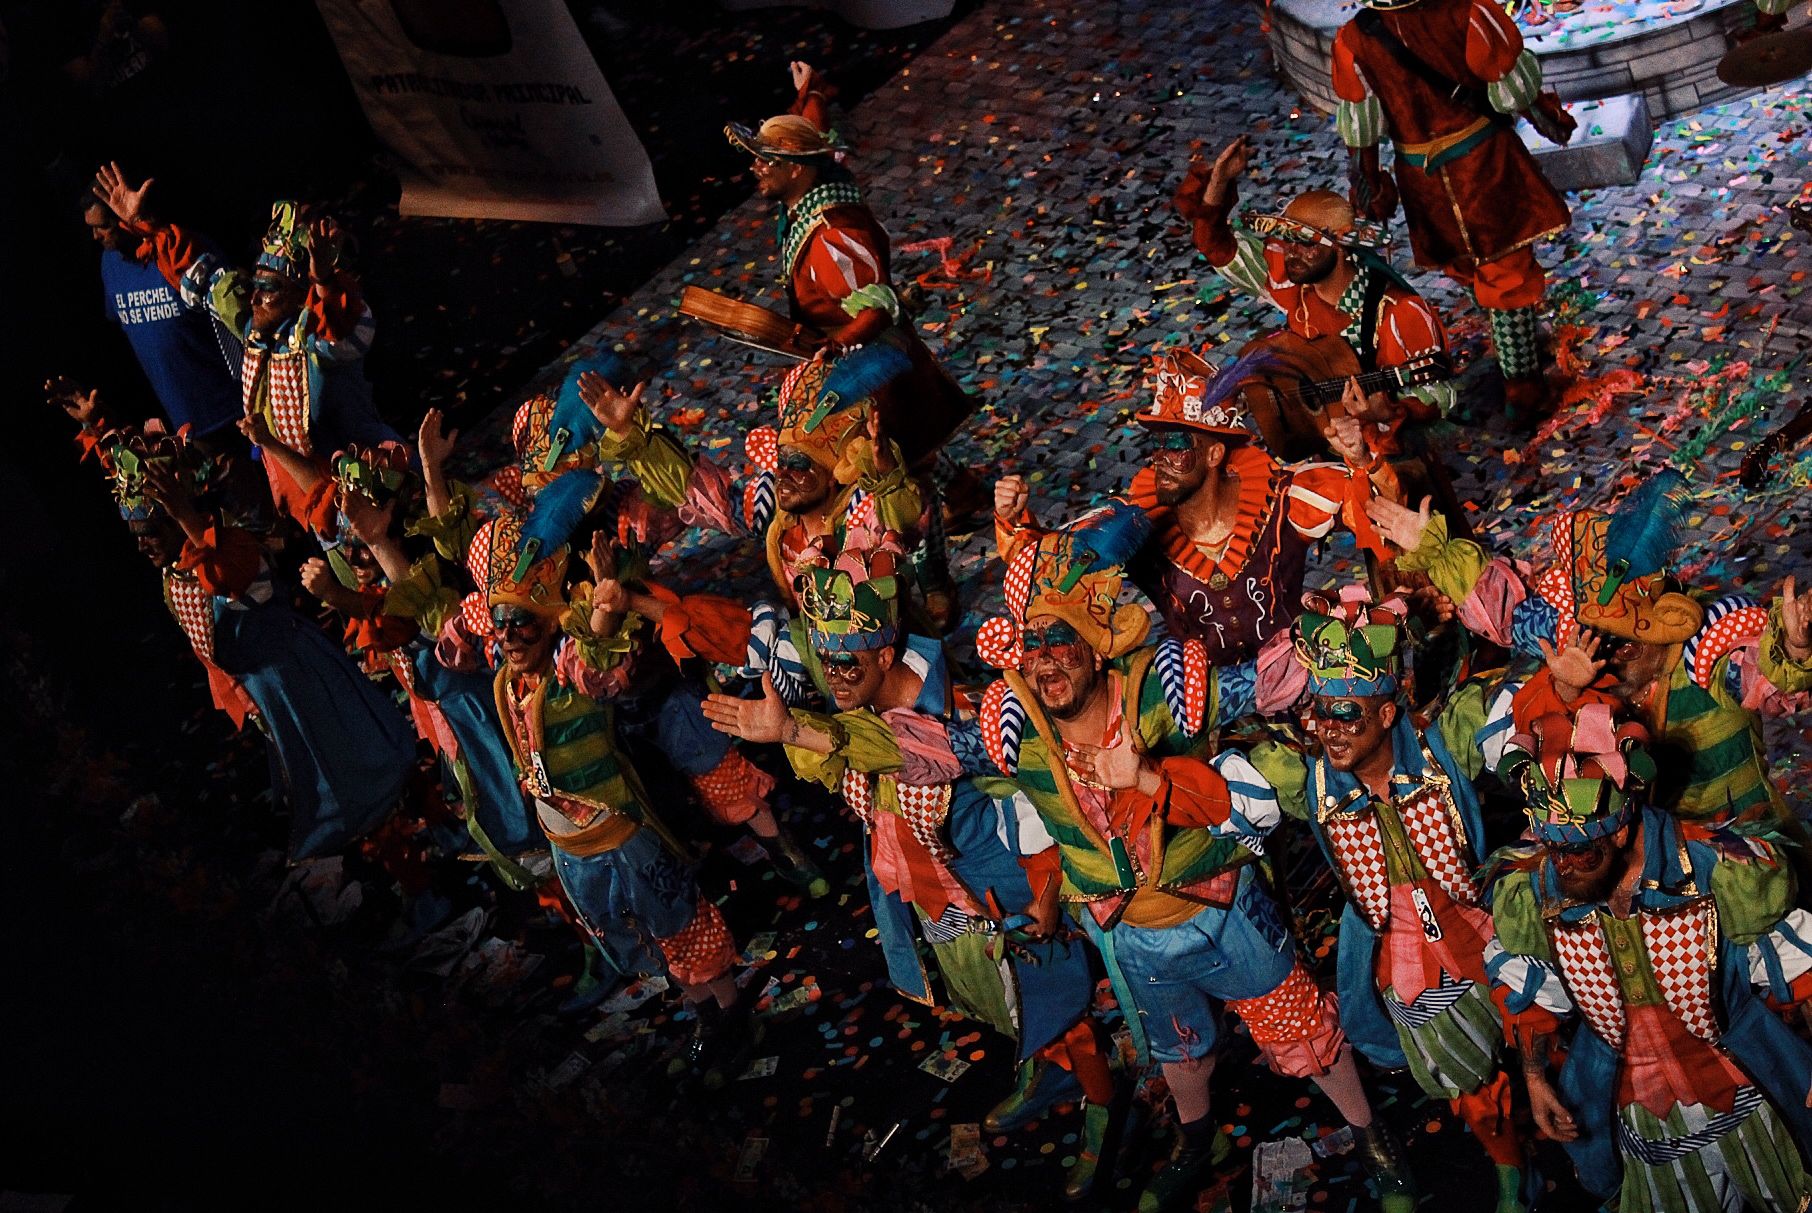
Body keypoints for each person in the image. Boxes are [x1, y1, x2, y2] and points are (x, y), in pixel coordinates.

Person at [866, 504, 1414, 1212]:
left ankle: (1369, 1133)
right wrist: (796, 727)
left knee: (1304, 1029)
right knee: (1180, 1051)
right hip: (1134, 932)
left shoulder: (1163, 694)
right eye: (1031, 647)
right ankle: (1196, 1140)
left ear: (1096, 648)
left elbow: (1258, 685)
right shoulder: (1019, 733)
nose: (1045, 661)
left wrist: (1333, 647)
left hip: (1218, 909)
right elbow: (933, 752)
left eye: (1060, 642)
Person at [696, 536, 1111, 1198]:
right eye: (825, 656)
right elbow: (852, 753)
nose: (833, 670)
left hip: (1005, 891)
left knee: (1058, 1001)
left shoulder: (956, 715)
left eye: (845, 657)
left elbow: (1020, 799)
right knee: (1005, 1003)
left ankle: (1103, 1112)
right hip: (938, 897)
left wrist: (1046, 892)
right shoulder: (857, 698)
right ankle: (1046, 1069)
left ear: (885, 652)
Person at [434, 503, 748, 1078]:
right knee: (635, 936)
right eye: (501, 626)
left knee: (676, 921)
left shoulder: (566, 674)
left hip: (621, 834)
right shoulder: (507, 679)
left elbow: (596, 661)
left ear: (551, 623)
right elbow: (453, 634)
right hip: (572, 849)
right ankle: (702, 1010)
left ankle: (729, 1013)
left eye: (523, 623)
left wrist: (604, 609)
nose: (509, 637)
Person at [1487, 699, 1812, 1212]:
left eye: (1580, 853)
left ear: (1619, 830)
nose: (1563, 869)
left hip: (1744, 1089)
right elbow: (1536, 984)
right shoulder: (1539, 887)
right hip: (1638, 1110)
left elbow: (1793, 959)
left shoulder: (1714, 867)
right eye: (1553, 849)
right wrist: (1533, 1077)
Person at [1273, 588, 1539, 1212]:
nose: (1329, 731)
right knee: (1464, 1076)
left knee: (1553, 1031)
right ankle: (1509, 1170)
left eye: (1347, 714)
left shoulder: (1443, 741)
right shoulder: (1307, 775)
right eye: (1319, 714)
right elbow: (1208, 794)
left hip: (1484, 921)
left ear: (1388, 713)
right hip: (1403, 954)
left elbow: (1522, 717)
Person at [1369, 474, 1812, 836]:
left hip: (1727, 842)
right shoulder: (1576, 637)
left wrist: (1792, 648)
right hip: (1626, 843)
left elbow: (1761, 677)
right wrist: (1437, 548)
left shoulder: (1710, 645)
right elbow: (1511, 614)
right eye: (1594, 636)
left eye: (1624, 643)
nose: (1607, 654)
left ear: (1664, 626)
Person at [95, 423, 416, 860]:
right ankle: (351, 830)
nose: (144, 545)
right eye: (137, 535)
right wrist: (99, 430)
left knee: (342, 749)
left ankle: (382, 808)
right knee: (307, 761)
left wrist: (187, 517)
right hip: (262, 685)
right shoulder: (174, 572)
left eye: (152, 531)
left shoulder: (230, 549)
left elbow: (229, 578)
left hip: (292, 670)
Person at [995, 347, 1398, 667]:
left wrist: (1363, 461)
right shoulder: (1131, 527)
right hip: (1204, 708)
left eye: (1177, 445)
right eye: (1158, 445)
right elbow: (1045, 568)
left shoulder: (1282, 499)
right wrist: (1014, 519)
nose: (1161, 459)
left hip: (1303, 680)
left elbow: (1385, 513)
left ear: (1214, 454)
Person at [89, 162, 402, 524]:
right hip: (312, 507)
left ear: (300, 299)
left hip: (367, 495)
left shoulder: (317, 345)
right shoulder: (257, 333)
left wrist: (325, 280)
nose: (254, 297)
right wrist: (150, 225)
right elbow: (211, 283)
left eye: (268, 290)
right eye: (256, 286)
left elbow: (337, 322)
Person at [1331, 0, 1576, 418]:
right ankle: (1524, 389)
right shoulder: (1469, 12)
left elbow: (1361, 129)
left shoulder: (1353, 38)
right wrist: (1551, 122)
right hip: (1482, 166)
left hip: (1421, 178)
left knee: (1465, 264)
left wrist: (1370, 187)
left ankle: (1517, 343)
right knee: (1505, 272)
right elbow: (1512, 89)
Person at [1176, 135, 1456, 452]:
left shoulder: (1396, 312)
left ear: (1340, 247)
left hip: (1381, 453)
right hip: (1317, 438)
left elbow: (1438, 395)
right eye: (1286, 240)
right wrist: (1218, 182)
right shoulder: (1293, 286)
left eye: (1305, 243)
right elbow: (1217, 246)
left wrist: (1387, 412)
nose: (1290, 253)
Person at [84, 185, 242, 441]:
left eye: (102, 226)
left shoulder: (181, 250)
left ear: (124, 220)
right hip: (185, 425)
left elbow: (237, 316)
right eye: (91, 228)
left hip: (235, 409)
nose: (95, 236)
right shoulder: (109, 264)